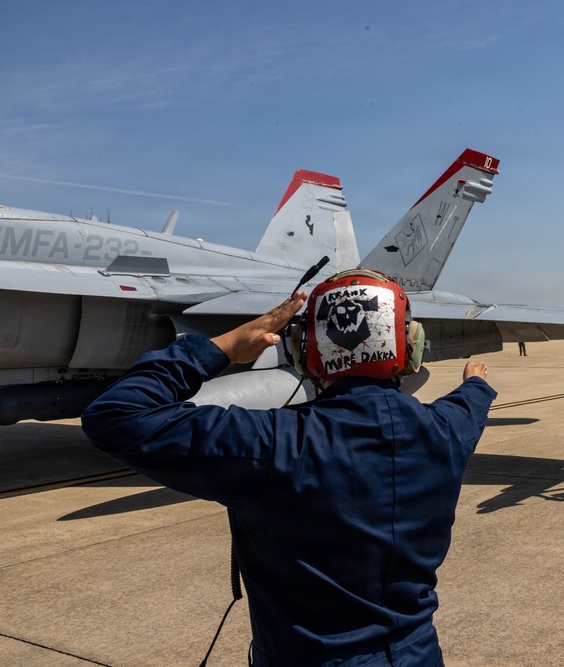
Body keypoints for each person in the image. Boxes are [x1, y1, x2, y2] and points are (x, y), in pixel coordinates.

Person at [81, 269, 497, 666]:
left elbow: (116, 415)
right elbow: (470, 405)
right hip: (417, 654)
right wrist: (475, 382)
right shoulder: (446, 431)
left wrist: (221, 347)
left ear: (303, 351)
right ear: (411, 346)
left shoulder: (272, 444)